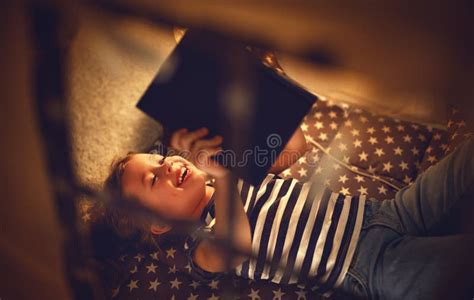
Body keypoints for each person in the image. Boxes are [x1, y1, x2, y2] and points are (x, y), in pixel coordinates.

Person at [104, 127, 474, 300]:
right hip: (365, 265)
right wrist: (226, 175)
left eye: (160, 158)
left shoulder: (235, 172)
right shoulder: (201, 245)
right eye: (153, 179)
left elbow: (293, 145)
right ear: (159, 223)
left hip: (385, 212)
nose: (168, 165)